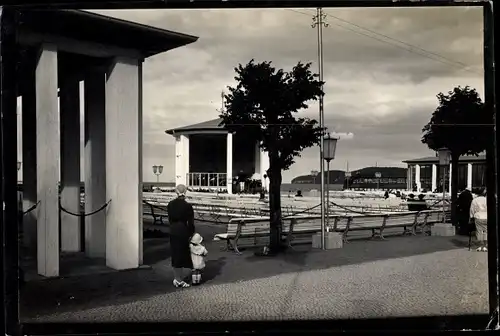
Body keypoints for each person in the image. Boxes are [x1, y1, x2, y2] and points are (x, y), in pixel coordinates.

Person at [167, 184, 195, 288]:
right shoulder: (187, 206)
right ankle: (179, 279)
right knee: (182, 255)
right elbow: (191, 223)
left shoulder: (170, 204)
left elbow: (170, 219)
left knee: (175, 254)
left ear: (176, 192)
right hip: (183, 230)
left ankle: (176, 278)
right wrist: (191, 234)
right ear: (185, 192)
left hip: (173, 230)